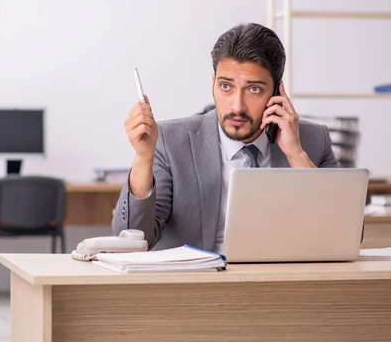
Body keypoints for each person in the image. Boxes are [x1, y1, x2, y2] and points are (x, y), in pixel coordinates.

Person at [112, 22, 338, 252]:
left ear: (278, 92)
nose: (237, 106)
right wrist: (142, 157)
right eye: (226, 86)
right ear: (213, 85)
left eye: (254, 89)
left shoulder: (314, 141)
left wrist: (296, 154)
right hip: (201, 284)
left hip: (282, 283)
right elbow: (133, 239)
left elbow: (341, 234)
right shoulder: (169, 142)